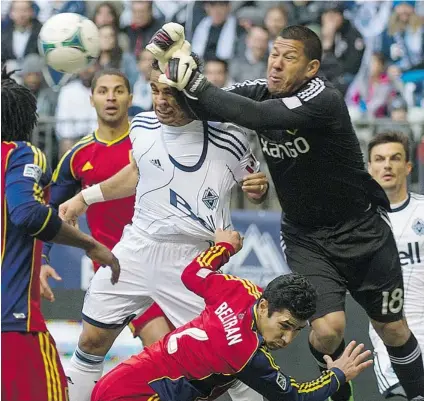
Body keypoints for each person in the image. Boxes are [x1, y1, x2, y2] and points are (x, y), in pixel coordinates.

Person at [146, 23, 424, 401]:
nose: (275, 64)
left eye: (288, 57)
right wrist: (179, 65)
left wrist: (193, 80)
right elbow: (208, 103)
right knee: (327, 331)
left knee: (392, 329)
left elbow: (261, 118)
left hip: (363, 230)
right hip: (307, 236)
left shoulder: (323, 98)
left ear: (310, 68)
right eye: (274, 54)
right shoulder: (260, 90)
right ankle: (342, 393)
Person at [59, 57, 269, 401]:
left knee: (231, 360)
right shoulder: (141, 126)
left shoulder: (231, 137)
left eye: (169, 93)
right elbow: (137, 173)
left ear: (192, 91)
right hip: (136, 247)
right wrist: (86, 197)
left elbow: (255, 186)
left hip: (193, 262)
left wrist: (257, 190)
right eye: (154, 90)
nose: (160, 101)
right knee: (91, 340)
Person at [92, 229, 373, 401]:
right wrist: (337, 374)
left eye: (297, 330)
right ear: (264, 308)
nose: (287, 339)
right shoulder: (245, 353)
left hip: (119, 382)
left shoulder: (240, 290)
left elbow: (194, 274)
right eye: (285, 326)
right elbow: (295, 396)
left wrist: (223, 247)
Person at [1, 68, 120, 401]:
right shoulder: (21, 153)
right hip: (13, 323)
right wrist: (90, 244)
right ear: (27, 118)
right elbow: (26, 213)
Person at [41, 68, 170, 346]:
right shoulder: (77, 155)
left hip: (161, 262)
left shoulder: (148, 143)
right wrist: (42, 259)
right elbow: (50, 210)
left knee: (161, 347)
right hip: (113, 270)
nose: (111, 98)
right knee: (96, 344)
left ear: (131, 97)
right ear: (92, 99)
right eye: (103, 91)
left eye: (118, 91)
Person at [367, 132, 424, 399]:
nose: (387, 165)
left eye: (395, 158)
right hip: (390, 335)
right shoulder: (359, 224)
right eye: (379, 159)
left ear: (408, 167)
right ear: (369, 168)